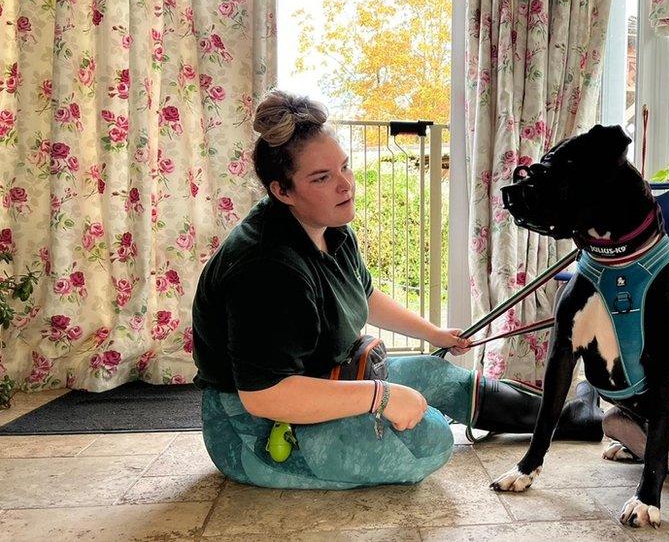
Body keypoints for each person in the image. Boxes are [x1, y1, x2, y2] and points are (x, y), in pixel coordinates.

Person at [191, 90, 603, 490]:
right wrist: (381, 397)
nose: (345, 185)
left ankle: (571, 418)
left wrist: (434, 335)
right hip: (254, 431)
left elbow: (364, 296)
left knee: (437, 376)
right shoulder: (265, 268)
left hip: (324, 378)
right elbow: (265, 396)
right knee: (431, 440)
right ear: (281, 191)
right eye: (322, 177)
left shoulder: (328, 226)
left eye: (344, 167)